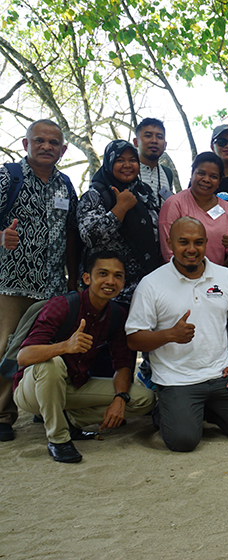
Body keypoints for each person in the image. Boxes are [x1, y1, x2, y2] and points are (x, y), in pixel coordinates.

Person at [126, 217, 228, 452]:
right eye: (183, 242)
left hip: (220, 374)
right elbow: (133, 339)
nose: (191, 249)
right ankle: (168, 410)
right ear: (169, 242)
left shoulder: (225, 277)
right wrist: (169, 335)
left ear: (206, 242)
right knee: (183, 441)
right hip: (177, 379)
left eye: (198, 242)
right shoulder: (151, 284)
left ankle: (201, 409)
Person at [12, 252, 154, 462]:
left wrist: (120, 399)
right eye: (103, 274)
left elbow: (123, 364)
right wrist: (65, 346)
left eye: (117, 276)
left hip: (74, 386)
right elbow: (23, 357)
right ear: (87, 278)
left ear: (124, 283)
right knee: (52, 364)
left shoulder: (116, 313)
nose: (110, 281)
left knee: (145, 399)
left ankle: (66, 420)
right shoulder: (62, 306)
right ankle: (58, 439)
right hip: (32, 390)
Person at [1, 120, 80, 442]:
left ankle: (39, 405)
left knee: (46, 345)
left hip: (53, 285)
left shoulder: (66, 185)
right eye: (39, 141)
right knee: (7, 345)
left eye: (53, 143)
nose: (46, 147)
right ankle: (4, 414)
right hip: (11, 282)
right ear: (25, 144)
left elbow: (72, 235)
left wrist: (73, 279)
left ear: (63, 150)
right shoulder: (8, 176)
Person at [77, 140, 162, 307]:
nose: (127, 165)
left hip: (146, 290)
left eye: (132, 160)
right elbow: (88, 236)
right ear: (109, 163)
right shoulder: (96, 195)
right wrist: (120, 209)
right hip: (109, 293)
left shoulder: (145, 193)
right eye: (120, 160)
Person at [159, 152, 228, 266]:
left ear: (219, 182)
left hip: (215, 278)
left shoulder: (227, 208)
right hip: (179, 277)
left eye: (213, 176)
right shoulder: (174, 204)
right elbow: (168, 251)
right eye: (201, 173)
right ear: (192, 174)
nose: (206, 179)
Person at [133, 117, 175, 202]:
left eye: (159, 137)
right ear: (136, 142)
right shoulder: (126, 170)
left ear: (165, 145)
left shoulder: (167, 173)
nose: (154, 141)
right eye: (148, 136)